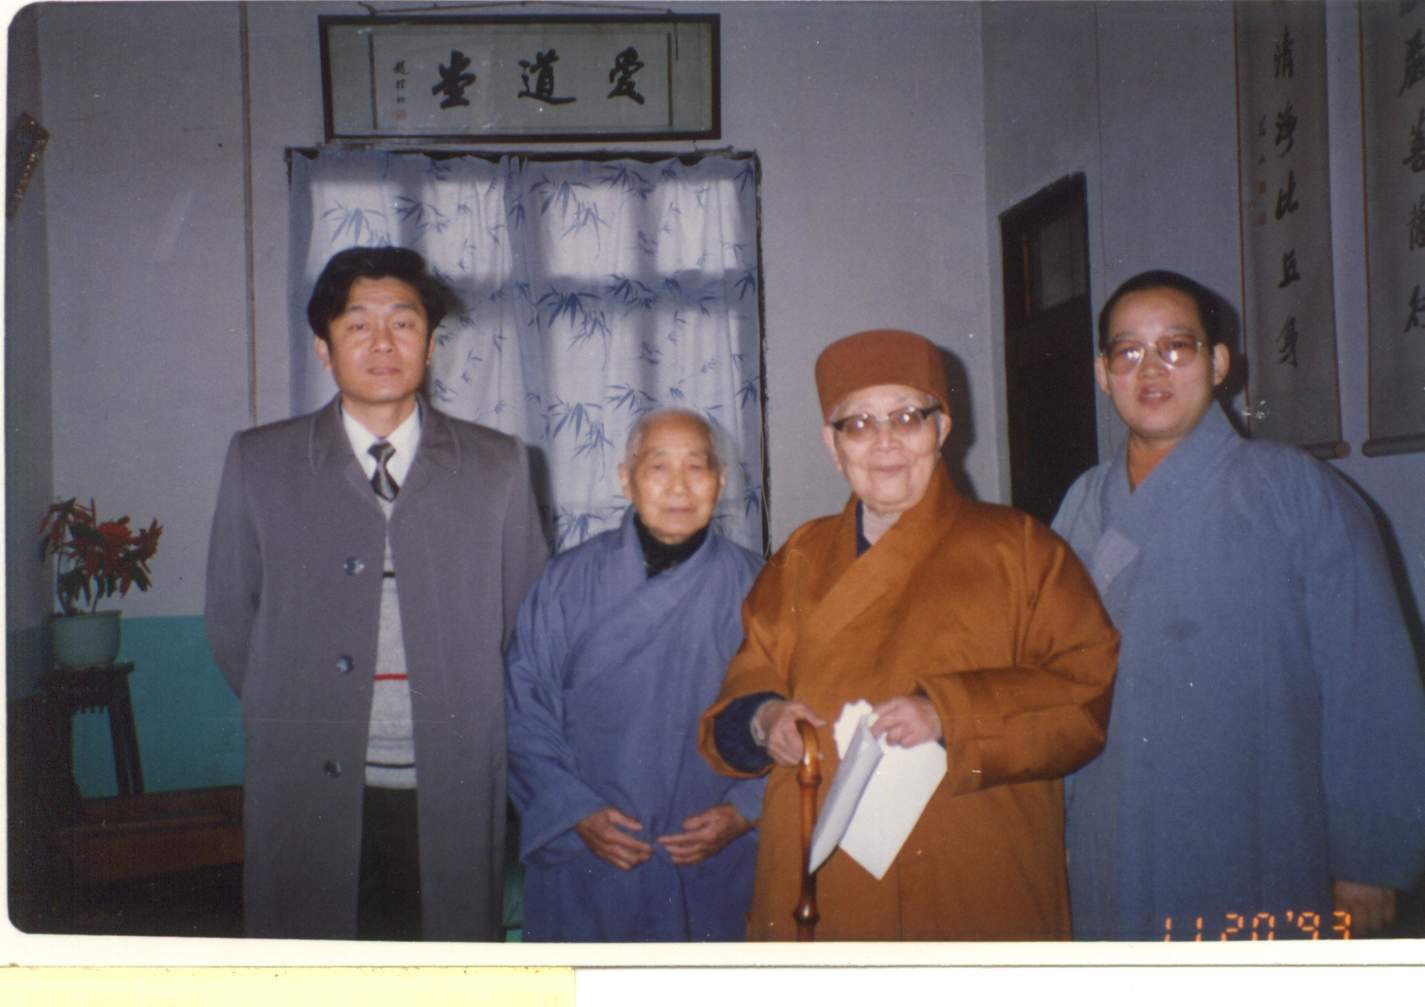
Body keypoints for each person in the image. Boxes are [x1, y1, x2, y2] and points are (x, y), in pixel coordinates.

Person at [697, 329, 1120, 940]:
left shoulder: (1022, 548)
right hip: (822, 869)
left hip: (970, 866)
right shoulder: (801, 556)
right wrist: (765, 720)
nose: (885, 441)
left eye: (905, 417)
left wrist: (948, 713)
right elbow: (748, 680)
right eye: (858, 424)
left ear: (940, 428)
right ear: (832, 445)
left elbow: (1084, 697)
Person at [1052, 269, 1425, 941]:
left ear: (1219, 363)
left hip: (1254, 824)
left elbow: (1368, 674)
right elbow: (1050, 677)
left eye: (1176, 346)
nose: (1151, 369)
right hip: (1109, 823)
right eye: (1127, 351)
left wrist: (1368, 855)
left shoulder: (1293, 489)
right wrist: (1056, 823)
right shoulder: (1083, 499)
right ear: (1102, 374)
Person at [204, 246, 548, 940]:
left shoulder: (499, 465)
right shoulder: (260, 461)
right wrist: (304, 707)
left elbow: (526, 624)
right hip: (306, 775)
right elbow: (232, 622)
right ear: (324, 347)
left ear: (430, 342)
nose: (383, 342)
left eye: (404, 322)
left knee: (444, 965)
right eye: (358, 324)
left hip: (450, 776)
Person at [504, 409, 764, 941]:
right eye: (658, 467)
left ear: (720, 480)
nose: (678, 486)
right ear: (626, 479)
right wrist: (575, 811)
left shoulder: (762, 586)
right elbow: (522, 709)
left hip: (715, 857)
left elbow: (800, 710)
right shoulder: (566, 581)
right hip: (589, 854)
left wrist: (745, 811)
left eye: (696, 467)